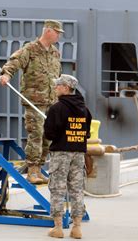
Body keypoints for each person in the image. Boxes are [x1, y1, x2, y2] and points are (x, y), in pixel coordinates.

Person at [0, 20, 64, 184]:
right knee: (36, 134)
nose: (59, 36)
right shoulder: (30, 49)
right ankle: (32, 171)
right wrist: (6, 74)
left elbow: (58, 76)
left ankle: (40, 168)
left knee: (48, 137)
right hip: (35, 101)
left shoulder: (55, 53)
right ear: (48, 31)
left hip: (52, 101)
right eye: (57, 32)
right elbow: (15, 62)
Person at [44, 74, 92, 239]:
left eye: (58, 85)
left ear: (65, 88)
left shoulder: (57, 108)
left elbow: (49, 134)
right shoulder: (85, 110)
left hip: (61, 154)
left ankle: (58, 228)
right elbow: (86, 133)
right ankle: (77, 228)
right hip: (79, 154)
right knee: (77, 190)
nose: (55, 88)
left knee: (57, 189)